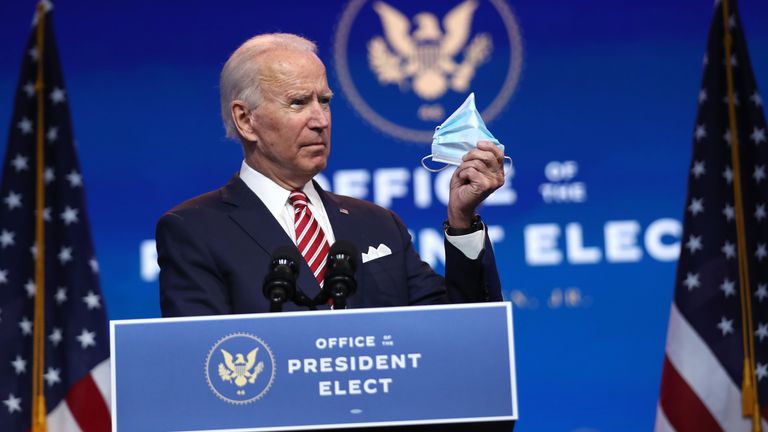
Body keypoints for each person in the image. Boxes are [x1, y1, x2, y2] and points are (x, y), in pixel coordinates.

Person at [157, 33, 506, 317]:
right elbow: (203, 364)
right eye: (298, 103)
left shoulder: (378, 224)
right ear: (246, 120)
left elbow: (459, 330)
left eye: (324, 101)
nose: (320, 120)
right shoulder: (194, 230)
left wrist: (462, 223)